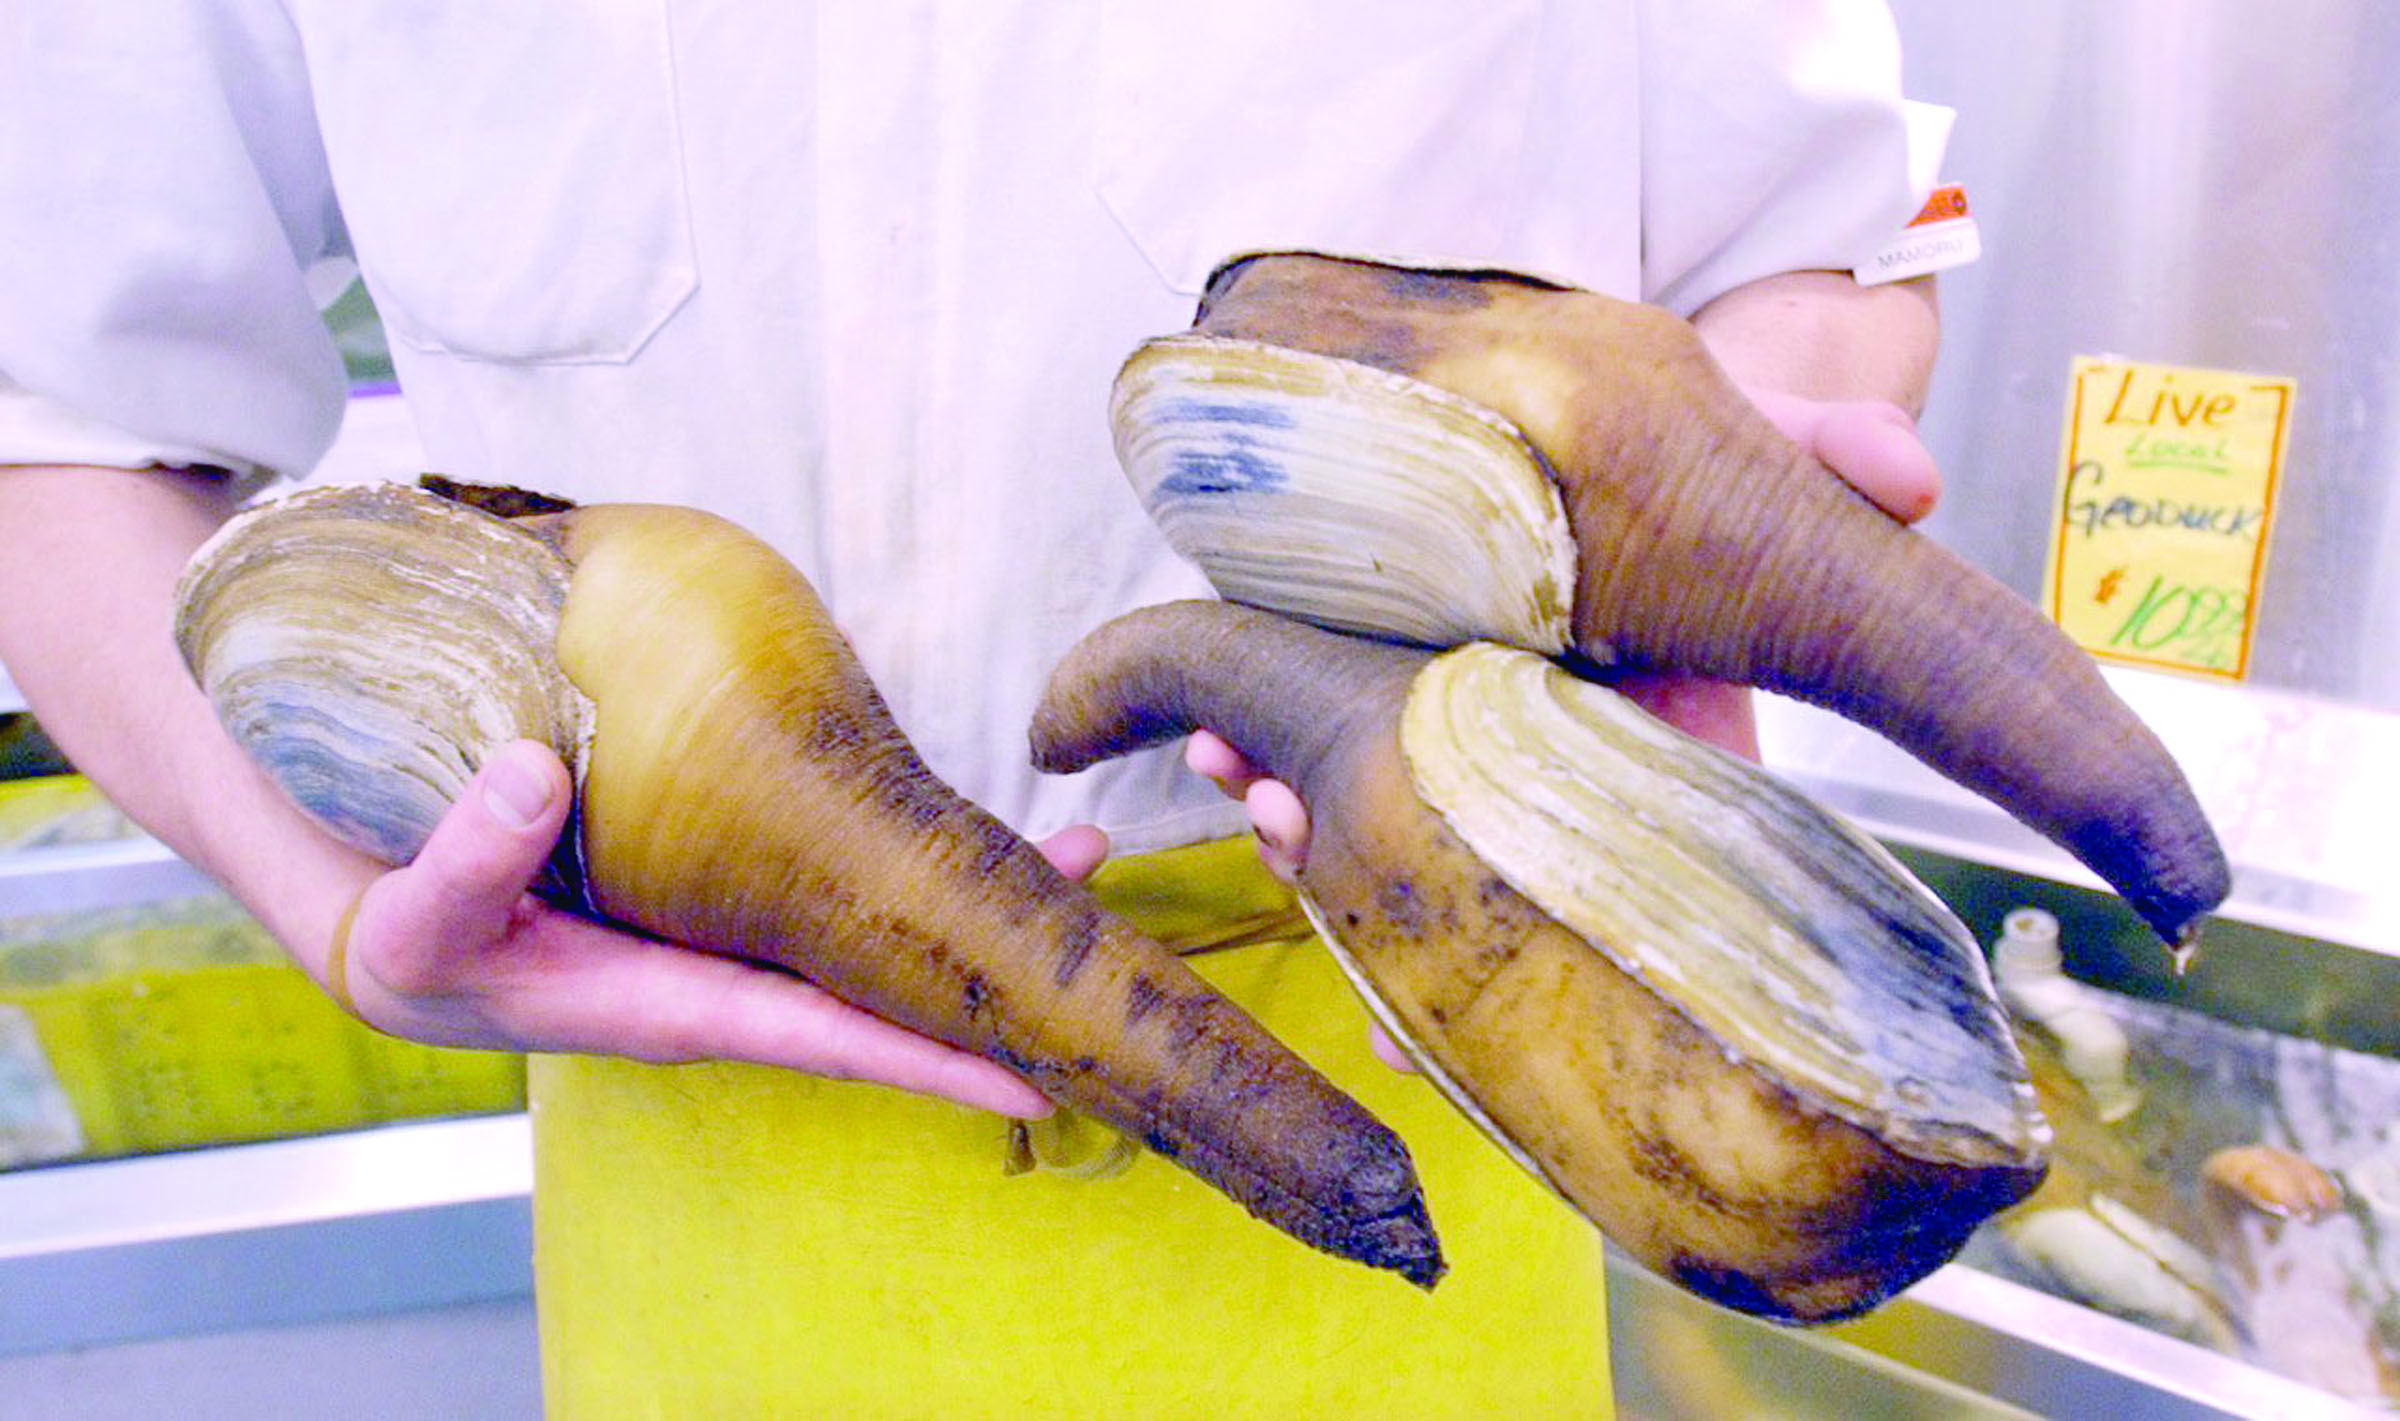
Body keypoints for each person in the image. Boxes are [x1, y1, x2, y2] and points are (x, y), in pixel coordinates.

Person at [0, 2, 1951, 1411]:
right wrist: (327, 905)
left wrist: (1705, 506)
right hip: (711, 1182)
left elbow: (1817, 236)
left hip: (1425, 1033)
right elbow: (56, 428)